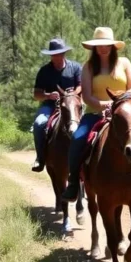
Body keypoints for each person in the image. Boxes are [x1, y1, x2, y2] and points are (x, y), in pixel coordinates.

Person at [62, 27, 131, 200]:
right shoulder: (88, 67)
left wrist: (120, 101)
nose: (103, 48)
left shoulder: (124, 63)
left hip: (125, 111)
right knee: (78, 138)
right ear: (94, 48)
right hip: (95, 113)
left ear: (113, 46)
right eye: (100, 45)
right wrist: (106, 104)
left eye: (107, 44)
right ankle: (74, 182)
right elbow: (87, 96)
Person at [30, 38, 83, 172]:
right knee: (39, 123)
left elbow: (81, 86)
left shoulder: (75, 67)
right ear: (51, 55)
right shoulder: (44, 71)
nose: (58, 56)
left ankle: (88, 156)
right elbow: (36, 94)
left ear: (65, 53)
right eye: (55, 54)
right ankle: (40, 158)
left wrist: (71, 94)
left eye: (60, 53)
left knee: (88, 123)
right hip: (50, 105)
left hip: (73, 105)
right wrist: (48, 95)